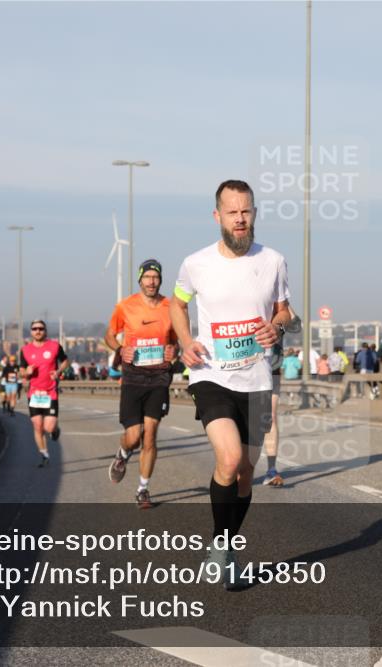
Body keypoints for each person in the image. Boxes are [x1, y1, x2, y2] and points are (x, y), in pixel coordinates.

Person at [170, 179, 291, 589]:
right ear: (217, 216)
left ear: (254, 213)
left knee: (245, 473)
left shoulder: (273, 260)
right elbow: (177, 303)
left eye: (247, 211)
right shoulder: (195, 263)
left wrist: (276, 327)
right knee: (229, 458)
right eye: (232, 212)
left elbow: (285, 311)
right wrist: (186, 342)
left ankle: (224, 547)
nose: (240, 219)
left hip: (256, 379)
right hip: (211, 375)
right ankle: (223, 548)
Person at [105, 259, 178, 509]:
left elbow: (177, 340)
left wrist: (173, 351)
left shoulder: (171, 306)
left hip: (159, 378)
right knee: (133, 437)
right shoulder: (125, 306)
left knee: (151, 437)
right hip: (133, 378)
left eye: (155, 277)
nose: (151, 281)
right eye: (147, 277)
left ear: (160, 280)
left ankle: (142, 490)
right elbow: (109, 335)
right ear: (140, 279)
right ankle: (122, 454)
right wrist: (120, 348)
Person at [20, 319, 70, 467]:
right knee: (37, 425)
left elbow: (65, 361)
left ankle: (55, 429)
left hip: (50, 392)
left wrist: (59, 371)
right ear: (31, 332)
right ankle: (44, 454)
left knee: (48, 427)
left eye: (41, 328)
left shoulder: (54, 346)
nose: (38, 331)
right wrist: (26, 372)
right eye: (34, 328)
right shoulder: (25, 350)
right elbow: (22, 370)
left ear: (45, 331)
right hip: (34, 393)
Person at [264, 308, 302, 488]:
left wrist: (284, 306)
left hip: (272, 370)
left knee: (270, 418)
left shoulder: (279, 308)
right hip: (243, 371)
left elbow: (296, 326)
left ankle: (271, 469)